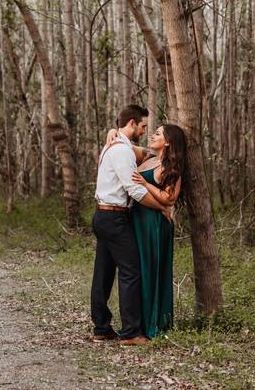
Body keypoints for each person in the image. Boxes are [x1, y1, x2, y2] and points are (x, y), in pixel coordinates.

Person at [91, 104, 173, 346]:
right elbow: (135, 190)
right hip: (114, 218)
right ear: (132, 124)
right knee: (131, 271)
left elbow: (146, 153)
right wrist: (161, 207)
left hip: (103, 215)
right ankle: (131, 333)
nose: (145, 131)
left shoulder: (115, 145)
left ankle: (101, 328)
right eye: (143, 126)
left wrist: (113, 131)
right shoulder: (122, 152)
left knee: (103, 273)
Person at [129, 124, 184, 338]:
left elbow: (168, 199)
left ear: (168, 142)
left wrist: (144, 183)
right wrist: (112, 133)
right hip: (137, 220)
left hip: (155, 223)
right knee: (136, 271)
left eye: (158, 134)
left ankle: (154, 324)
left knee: (151, 270)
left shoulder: (171, 166)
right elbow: (127, 146)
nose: (152, 135)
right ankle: (136, 323)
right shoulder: (148, 158)